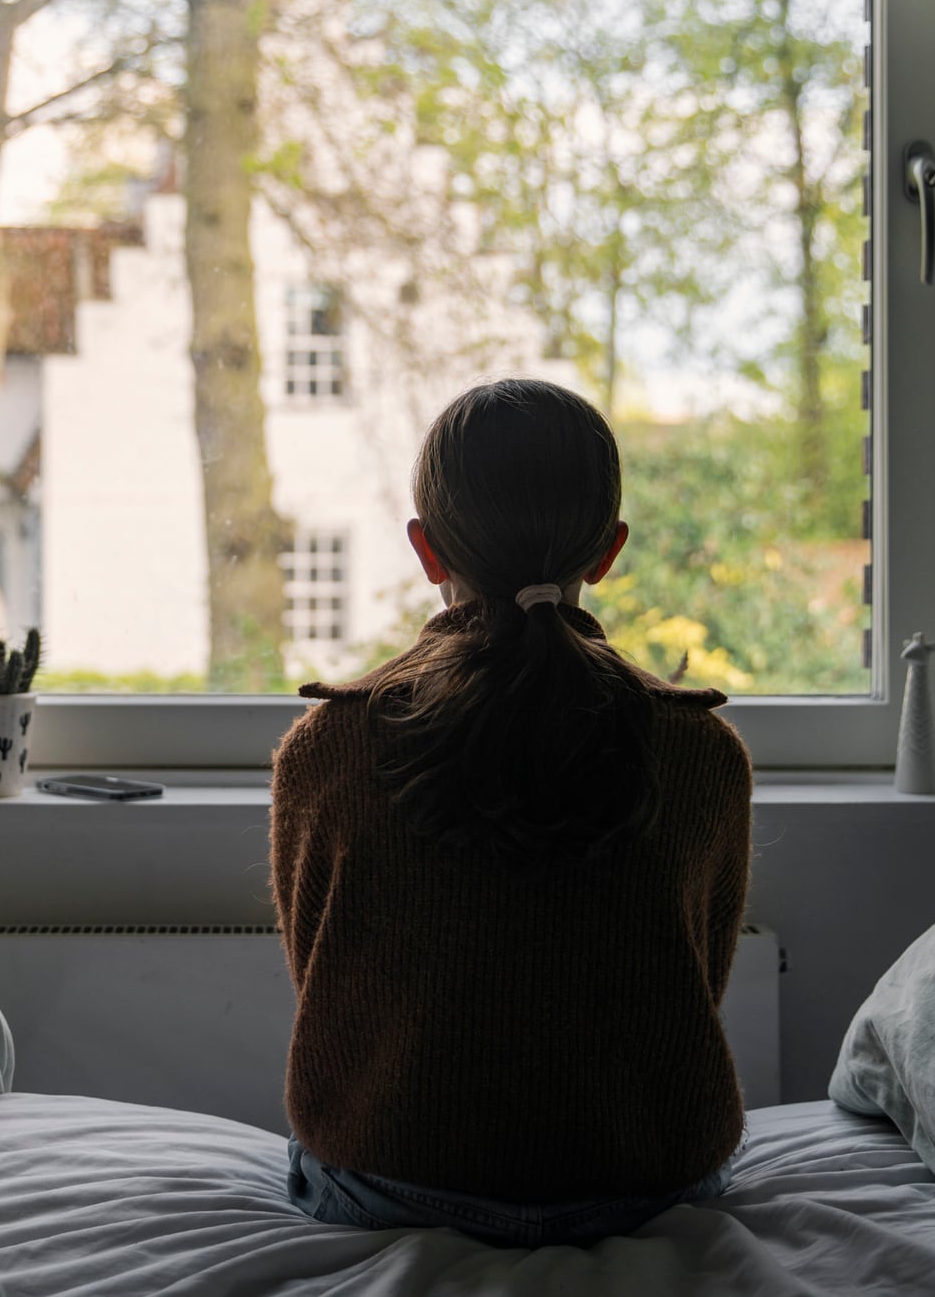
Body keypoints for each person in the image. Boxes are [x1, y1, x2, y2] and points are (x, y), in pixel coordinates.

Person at [269, 377, 755, 1248]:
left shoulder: (327, 748)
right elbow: (691, 988)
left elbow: (328, 985)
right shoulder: (702, 754)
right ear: (607, 552)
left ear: (425, 550)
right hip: (642, 1188)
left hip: (390, 1182)